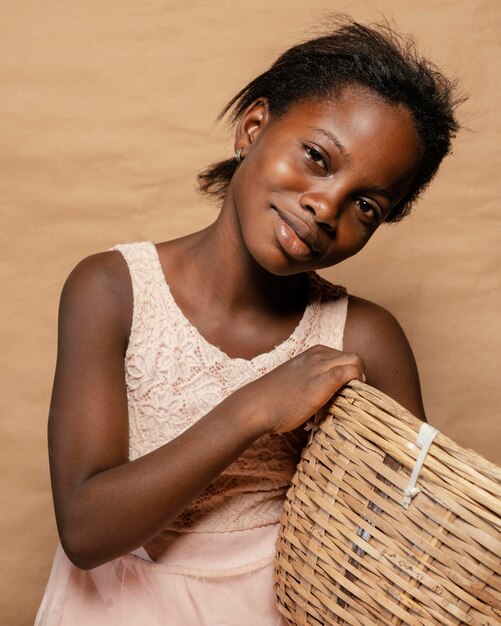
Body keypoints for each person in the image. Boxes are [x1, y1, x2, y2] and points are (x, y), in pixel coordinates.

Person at [35, 17, 462, 626]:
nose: (325, 206)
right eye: (317, 157)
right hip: (115, 608)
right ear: (254, 127)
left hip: (279, 608)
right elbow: (85, 528)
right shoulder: (111, 290)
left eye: (366, 205)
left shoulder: (364, 338)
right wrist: (256, 408)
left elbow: (407, 542)